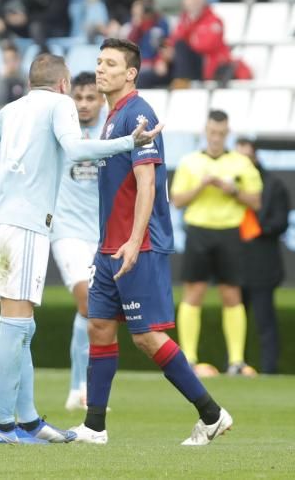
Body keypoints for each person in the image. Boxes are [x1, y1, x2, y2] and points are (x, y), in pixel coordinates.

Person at [0, 51, 162, 445]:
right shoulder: (59, 105)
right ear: (64, 83)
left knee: (23, 326)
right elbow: (76, 149)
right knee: (15, 325)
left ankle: (30, 420)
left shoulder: (13, 109)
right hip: (25, 226)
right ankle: (3, 425)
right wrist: (127, 142)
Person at [70, 39, 232, 446]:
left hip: (136, 246)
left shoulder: (139, 114)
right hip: (110, 245)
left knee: (147, 336)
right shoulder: (112, 117)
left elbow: (147, 184)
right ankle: (94, 427)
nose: (101, 69)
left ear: (131, 74)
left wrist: (133, 240)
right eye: (99, 62)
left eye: (110, 63)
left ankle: (212, 415)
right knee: (100, 326)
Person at [170, 111, 262, 375]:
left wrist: (231, 189)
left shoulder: (241, 163)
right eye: (212, 132)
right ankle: (187, 359)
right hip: (199, 231)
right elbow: (177, 200)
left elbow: (255, 201)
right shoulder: (190, 162)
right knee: (194, 293)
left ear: (227, 133)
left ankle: (236, 361)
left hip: (229, 232)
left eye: (221, 133)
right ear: (205, 131)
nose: (216, 138)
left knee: (231, 295)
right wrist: (202, 186)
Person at [50, 72, 105, 412]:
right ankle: (81, 387)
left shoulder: (113, 133)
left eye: (90, 98)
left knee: (96, 314)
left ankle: (78, 387)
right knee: (87, 301)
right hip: (67, 230)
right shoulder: (59, 133)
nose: (84, 105)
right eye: (78, 98)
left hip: (103, 234)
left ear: (101, 100)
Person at [235, 138, 289, 375]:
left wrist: (259, 228)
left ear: (255, 157)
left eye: (247, 157)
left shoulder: (274, 185)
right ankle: (234, 365)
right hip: (234, 263)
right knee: (235, 320)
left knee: (264, 321)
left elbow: (281, 222)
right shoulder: (229, 182)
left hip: (263, 264)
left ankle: (269, 369)